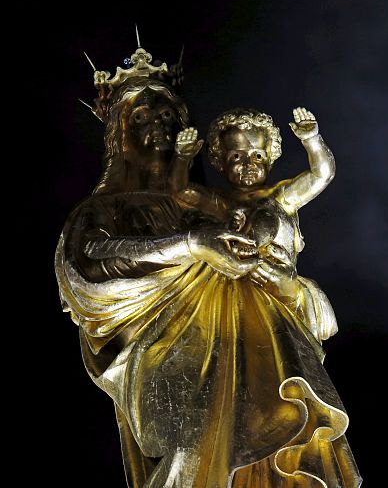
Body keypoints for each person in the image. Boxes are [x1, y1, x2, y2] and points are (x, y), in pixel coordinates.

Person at [56, 53, 361, 487]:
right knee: (192, 447)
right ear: (119, 132)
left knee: (274, 428)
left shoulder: (216, 207)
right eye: (141, 116)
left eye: (167, 114)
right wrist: (189, 245)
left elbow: (272, 260)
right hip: (168, 353)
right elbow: (87, 263)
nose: (158, 124)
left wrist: (289, 286)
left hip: (252, 337)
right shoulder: (107, 208)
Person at [169, 107, 339, 343]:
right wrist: (182, 158)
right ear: (221, 162)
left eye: (257, 155)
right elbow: (181, 191)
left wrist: (311, 139)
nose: (248, 164)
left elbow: (322, 174)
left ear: (270, 159)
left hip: (277, 292)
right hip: (227, 297)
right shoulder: (219, 201)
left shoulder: (281, 196)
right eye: (236, 157)